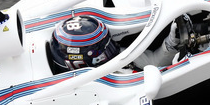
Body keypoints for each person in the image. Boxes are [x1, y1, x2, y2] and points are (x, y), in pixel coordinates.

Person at [49, 15, 180, 72]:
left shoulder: (116, 57)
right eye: (105, 50)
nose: (113, 49)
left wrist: (171, 43)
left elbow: (154, 62)